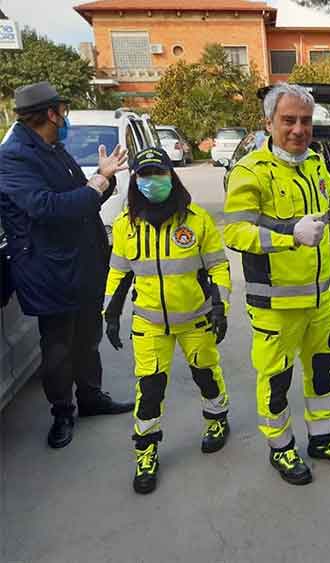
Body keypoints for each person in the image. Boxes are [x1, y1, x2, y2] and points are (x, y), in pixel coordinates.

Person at [224, 83, 330, 485]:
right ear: (269, 122)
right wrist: (289, 233)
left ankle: (322, 440)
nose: (299, 129)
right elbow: (235, 232)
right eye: (288, 120)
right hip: (275, 308)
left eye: (304, 120)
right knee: (276, 381)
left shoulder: (315, 162)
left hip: (319, 300)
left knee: (321, 375)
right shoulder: (251, 171)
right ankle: (281, 449)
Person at [0, 81, 133, 449]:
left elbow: (83, 198)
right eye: (63, 111)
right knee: (58, 347)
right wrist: (100, 181)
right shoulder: (14, 157)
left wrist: (101, 181)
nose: (66, 118)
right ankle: (62, 412)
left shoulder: (52, 149)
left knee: (87, 338)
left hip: (82, 264)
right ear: (49, 114)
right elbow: (48, 208)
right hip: (48, 271)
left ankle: (91, 398)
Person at [104, 148, 232, 494]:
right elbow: (118, 273)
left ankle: (217, 420)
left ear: (171, 176)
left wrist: (222, 307)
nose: (152, 181)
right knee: (149, 389)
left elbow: (218, 265)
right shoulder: (126, 225)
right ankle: (146, 451)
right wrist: (110, 313)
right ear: (135, 181)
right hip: (149, 324)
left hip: (196, 319)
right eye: (144, 175)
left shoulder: (196, 220)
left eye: (158, 173)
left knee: (206, 374)